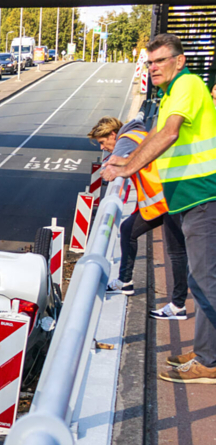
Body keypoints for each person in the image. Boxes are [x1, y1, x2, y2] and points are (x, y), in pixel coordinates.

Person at [102, 33, 216, 383]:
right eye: (150, 62)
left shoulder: (188, 85)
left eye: (160, 60)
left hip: (202, 197)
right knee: (202, 280)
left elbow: (167, 134)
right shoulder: (170, 94)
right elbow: (152, 136)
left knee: (205, 281)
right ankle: (206, 352)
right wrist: (123, 163)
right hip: (185, 199)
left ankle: (209, 363)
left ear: (179, 61)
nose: (153, 68)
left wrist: (126, 168)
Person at [88, 115, 189, 319]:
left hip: (169, 200)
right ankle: (125, 281)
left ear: (113, 135)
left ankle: (178, 306)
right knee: (128, 229)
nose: (102, 148)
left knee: (176, 252)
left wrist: (112, 167)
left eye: (102, 142)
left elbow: (120, 155)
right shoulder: (137, 133)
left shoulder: (126, 138)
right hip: (159, 202)